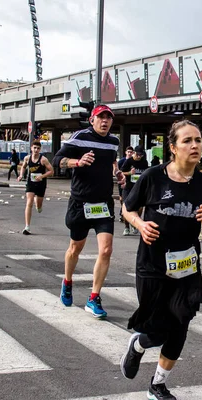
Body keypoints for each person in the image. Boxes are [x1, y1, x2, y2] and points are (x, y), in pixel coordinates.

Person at [120, 120, 202, 400]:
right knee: (156, 329)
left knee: (180, 324)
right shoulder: (153, 177)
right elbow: (127, 209)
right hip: (153, 265)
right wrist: (140, 225)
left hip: (187, 267)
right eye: (187, 140)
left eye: (199, 140)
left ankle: (158, 384)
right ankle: (139, 345)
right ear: (173, 147)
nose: (195, 146)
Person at [52, 104, 125, 319]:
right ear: (92, 120)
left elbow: (112, 161)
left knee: (106, 250)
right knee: (75, 248)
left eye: (108, 118)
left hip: (103, 203)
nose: (105, 121)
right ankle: (67, 282)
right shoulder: (79, 137)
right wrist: (77, 161)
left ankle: (94, 298)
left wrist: (118, 173)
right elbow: (57, 160)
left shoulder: (113, 141)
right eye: (100, 117)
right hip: (80, 202)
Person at [18, 140, 53, 235]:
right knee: (29, 202)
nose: (36, 150)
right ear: (31, 148)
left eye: (38, 148)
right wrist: (21, 175)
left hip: (41, 183)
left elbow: (51, 171)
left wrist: (41, 176)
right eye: (34, 148)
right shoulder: (27, 158)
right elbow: (23, 167)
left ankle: (38, 205)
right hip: (31, 183)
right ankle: (27, 227)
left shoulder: (43, 159)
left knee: (38, 204)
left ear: (40, 149)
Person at [121, 146, 149, 236]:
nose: (139, 156)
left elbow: (147, 172)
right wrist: (129, 173)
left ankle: (135, 223)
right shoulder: (128, 161)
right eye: (137, 154)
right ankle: (126, 227)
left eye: (141, 155)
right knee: (126, 207)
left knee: (140, 207)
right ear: (134, 153)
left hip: (139, 188)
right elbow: (121, 172)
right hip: (129, 187)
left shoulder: (144, 162)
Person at [118, 146, 134, 222]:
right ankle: (122, 212)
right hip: (122, 182)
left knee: (127, 199)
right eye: (128, 152)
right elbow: (118, 172)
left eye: (131, 152)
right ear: (126, 152)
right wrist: (129, 173)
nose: (130, 153)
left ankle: (123, 213)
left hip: (131, 183)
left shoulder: (134, 161)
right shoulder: (121, 161)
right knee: (122, 198)